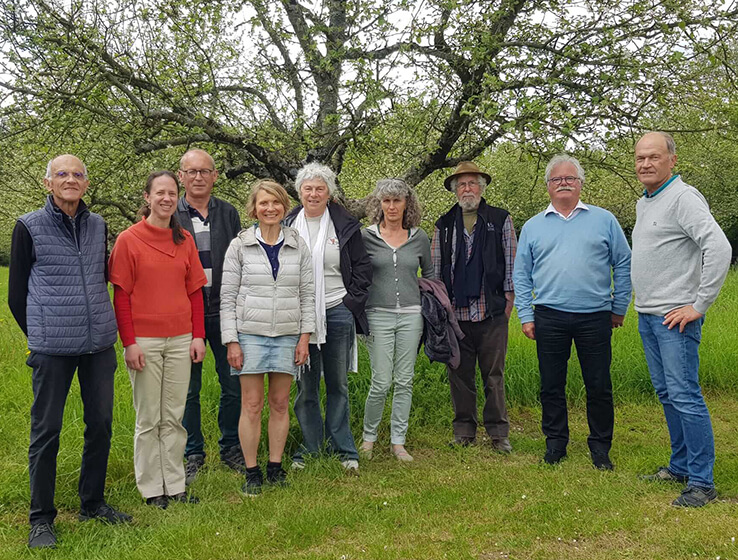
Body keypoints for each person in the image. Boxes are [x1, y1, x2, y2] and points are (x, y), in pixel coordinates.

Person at [8, 155, 131, 550]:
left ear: (86, 183)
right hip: (52, 349)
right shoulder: (28, 226)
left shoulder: (98, 225)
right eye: (62, 174)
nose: (70, 180)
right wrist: (40, 335)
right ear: (48, 183)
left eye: (77, 175)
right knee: (46, 432)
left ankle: (92, 503)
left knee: (101, 425)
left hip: (97, 345)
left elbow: (99, 277)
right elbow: (15, 294)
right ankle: (41, 518)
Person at [632, 132, 732, 507]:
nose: (645, 164)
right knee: (667, 393)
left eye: (654, 157)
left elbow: (718, 247)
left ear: (672, 160)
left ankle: (702, 483)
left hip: (676, 319)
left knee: (686, 396)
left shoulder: (683, 198)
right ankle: (680, 466)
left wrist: (699, 305)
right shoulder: (647, 201)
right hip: (649, 315)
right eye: (640, 157)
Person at [513, 155, 632, 469]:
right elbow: (521, 273)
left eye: (570, 178)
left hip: (596, 316)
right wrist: (525, 314)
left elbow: (623, 263)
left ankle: (600, 447)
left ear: (580, 184)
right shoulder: (534, 226)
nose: (563, 183)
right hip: (549, 316)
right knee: (551, 384)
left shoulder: (604, 220)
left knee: (599, 385)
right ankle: (555, 445)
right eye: (557, 179)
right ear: (548, 187)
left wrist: (619, 306)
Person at [109, 170, 208, 509]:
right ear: (147, 197)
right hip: (145, 342)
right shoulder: (129, 240)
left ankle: (175, 484)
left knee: (174, 416)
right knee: (149, 417)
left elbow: (195, 292)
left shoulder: (184, 241)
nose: (166, 199)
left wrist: (199, 336)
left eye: (171, 193)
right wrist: (129, 343)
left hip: (181, 338)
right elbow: (121, 295)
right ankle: (152, 488)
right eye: (159, 193)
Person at [220, 180, 315, 496]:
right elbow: (228, 295)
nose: (270, 208)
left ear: (284, 206)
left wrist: (304, 337)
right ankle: (252, 471)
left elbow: (307, 293)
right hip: (251, 335)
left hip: (288, 335)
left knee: (279, 403)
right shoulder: (240, 245)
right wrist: (231, 339)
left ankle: (275, 467)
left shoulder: (297, 244)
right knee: (252, 404)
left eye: (275, 202)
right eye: (263, 203)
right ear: (254, 208)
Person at [284, 163, 372, 471]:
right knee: (305, 385)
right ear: (299, 192)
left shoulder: (345, 225)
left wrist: (350, 304)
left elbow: (362, 269)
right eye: (308, 188)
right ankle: (310, 446)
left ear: (329, 192)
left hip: (337, 309)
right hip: (298, 315)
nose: (313, 194)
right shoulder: (287, 224)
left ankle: (343, 448)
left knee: (337, 385)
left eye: (320, 188)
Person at [431, 161, 516, 451]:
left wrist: (508, 302)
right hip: (456, 314)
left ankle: (498, 433)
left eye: (473, 183)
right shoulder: (443, 225)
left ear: (482, 187)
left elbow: (511, 264)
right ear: (455, 191)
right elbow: (436, 270)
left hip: (491, 312)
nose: (468, 189)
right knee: (460, 375)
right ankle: (464, 431)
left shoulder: (500, 219)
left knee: (494, 376)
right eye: (462, 185)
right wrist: (442, 309)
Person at [176, 149, 244, 484]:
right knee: (188, 389)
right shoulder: (170, 213)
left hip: (224, 310)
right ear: (181, 176)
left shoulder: (228, 213)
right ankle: (193, 452)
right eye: (192, 171)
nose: (199, 177)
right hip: (185, 314)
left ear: (215, 176)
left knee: (232, 383)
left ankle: (231, 446)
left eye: (205, 171)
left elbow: (240, 260)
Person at [361, 179, 433, 462]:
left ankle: (398, 442)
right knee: (381, 380)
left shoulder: (419, 237)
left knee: (404, 380)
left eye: (397, 201)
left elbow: (428, 275)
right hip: (377, 314)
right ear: (379, 204)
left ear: (407, 204)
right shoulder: (366, 236)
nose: (391, 206)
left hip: (411, 316)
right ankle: (369, 438)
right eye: (386, 201)